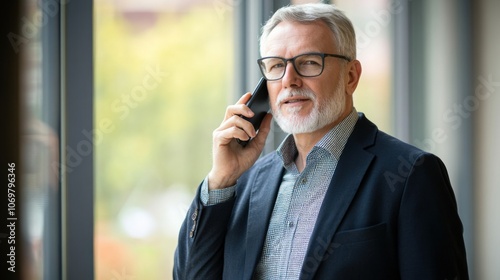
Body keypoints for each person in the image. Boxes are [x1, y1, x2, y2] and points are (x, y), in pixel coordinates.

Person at [174, 3, 468, 279]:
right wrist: (221, 180)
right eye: (276, 66)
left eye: (309, 62)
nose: (289, 79)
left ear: (351, 76)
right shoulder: (246, 182)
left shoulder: (411, 174)